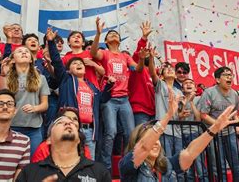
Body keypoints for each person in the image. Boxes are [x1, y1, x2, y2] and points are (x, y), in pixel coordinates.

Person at [119, 87, 239, 181]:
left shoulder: (166, 165)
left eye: (158, 139)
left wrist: (215, 128)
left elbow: (190, 152)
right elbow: (144, 147)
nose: (156, 142)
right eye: (151, 138)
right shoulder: (128, 165)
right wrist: (169, 115)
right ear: (136, 143)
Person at [45, 27, 114, 158]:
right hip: (70, 127)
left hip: (89, 131)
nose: (79, 63)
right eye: (74, 63)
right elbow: (57, 62)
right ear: (68, 70)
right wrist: (51, 42)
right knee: (68, 160)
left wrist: (110, 84)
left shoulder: (92, 87)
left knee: (88, 165)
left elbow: (103, 99)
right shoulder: (67, 80)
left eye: (81, 63)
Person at [90, 17, 145, 171]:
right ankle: (105, 169)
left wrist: (141, 59)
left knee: (130, 133)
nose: (114, 35)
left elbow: (138, 69)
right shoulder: (104, 53)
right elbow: (93, 52)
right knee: (111, 132)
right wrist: (98, 34)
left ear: (120, 41)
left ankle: (129, 166)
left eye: (116, 34)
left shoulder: (125, 57)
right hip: (110, 100)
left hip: (124, 99)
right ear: (106, 40)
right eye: (110, 34)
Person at [16, 113, 111, 181]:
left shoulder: (100, 172)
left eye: (73, 123)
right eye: (60, 123)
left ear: (78, 139)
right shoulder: (29, 172)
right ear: (48, 140)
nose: (68, 123)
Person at [0, 46, 50, 156]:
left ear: (31, 59)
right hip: (11, 126)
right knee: (12, 161)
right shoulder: (6, 77)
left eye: (27, 52)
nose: (24, 53)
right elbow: (2, 97)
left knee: (32, 164)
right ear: (12, 60)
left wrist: (35, 108)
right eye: (19, 51)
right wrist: (3, 75)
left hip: (34, 129)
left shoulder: (41, 78)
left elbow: (45, 104)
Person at [197, 66, 239, 182]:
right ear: (218, 79)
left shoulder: (234, 94)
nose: (229, 77)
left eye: (231, 75)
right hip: (213, 134)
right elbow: (203, 114)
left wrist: (238, 121)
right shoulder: (209, 92)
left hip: (230, 133)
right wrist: (218, 125)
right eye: (226, 75)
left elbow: (235, 112)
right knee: (219, 167)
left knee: (238, 165)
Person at [129, 21, 156, 126]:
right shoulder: (137, 69)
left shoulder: (154, 74)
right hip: (140, 111)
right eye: (146, 51)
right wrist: (144, 38)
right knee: (141, 138)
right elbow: (137, 55)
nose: (147, 53)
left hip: (153, 112)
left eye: (149, 52)